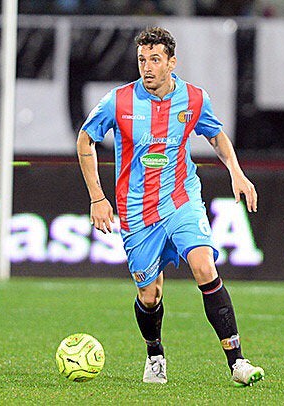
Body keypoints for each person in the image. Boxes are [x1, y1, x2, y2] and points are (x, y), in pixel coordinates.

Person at [75, 27, 264, 387]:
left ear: (171, 63)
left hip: (180, 198)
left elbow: (215, 134)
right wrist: (97, 198)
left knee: (204, 266)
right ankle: (155, 353)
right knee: (150, 294)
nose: (147, 67)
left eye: (155, 60)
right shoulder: (119, 101)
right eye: (142, 60)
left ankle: (237, 362)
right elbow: (86, 139)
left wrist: (236, 172)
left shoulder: (193, 99)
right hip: (135, 210)